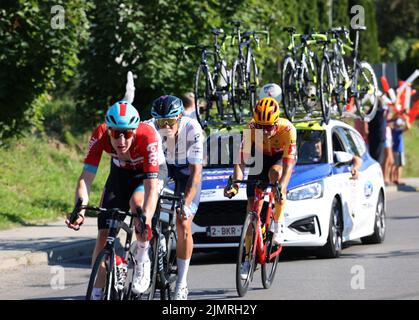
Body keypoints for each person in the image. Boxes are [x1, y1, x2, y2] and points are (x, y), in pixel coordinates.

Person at [66, 101, 167, 299]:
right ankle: (96, 292)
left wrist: (145, 220)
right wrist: (79, 209)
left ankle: (142, 255)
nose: (121, 140)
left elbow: (151, 187)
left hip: (147, 175)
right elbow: (86, 178)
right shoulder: (100, 134)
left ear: (135, 131)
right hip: (120, 175)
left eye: (127, 134)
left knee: (137, 206)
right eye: (115, 133)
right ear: (108, 130)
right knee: (103, 236)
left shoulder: (147, 136)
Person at [146, 95, 203, 300]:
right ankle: (157, 237)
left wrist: (185, 204)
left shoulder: (193, 128)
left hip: (186, 171)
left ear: (180, 117)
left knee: (183, 223)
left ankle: (181, 283)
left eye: (170, 122)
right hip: (163, 166)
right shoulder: (149, 128)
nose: (165, 127)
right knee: (149, 205)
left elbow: (196, 173)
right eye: (161, 122)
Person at [224, 97, 297, 256]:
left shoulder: (288, 129)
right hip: (260, 158)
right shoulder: (251, 128)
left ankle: (278, 224)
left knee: (275, 174)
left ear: (276, 123)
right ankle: (247, 256)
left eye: (269, 127)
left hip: (279, 158)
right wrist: (235, 184)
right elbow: (241, 160)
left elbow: (288, 165)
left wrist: (281, 188)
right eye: (260, 126)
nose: (264, 131)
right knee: (251, 208)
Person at [390, 112, 411, 185]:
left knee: (397, 165)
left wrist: (403, 119)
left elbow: (407, 127)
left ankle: (394, 179)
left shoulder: (395, 130)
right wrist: (405, 120)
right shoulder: (396, 131)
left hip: (397, 149)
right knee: (397, 165)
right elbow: (408, 127)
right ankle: (395, 179)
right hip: (397, 150)